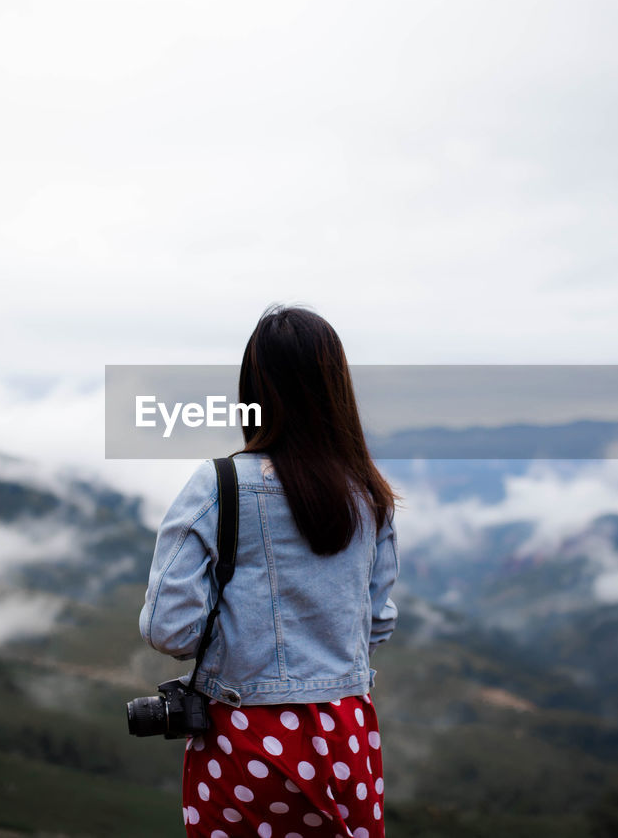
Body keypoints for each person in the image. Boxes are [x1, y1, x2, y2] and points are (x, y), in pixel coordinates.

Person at [139, 305, 400, 838]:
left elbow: (170, 626)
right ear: (336, 389)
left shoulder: (219, 485)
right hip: (348, 732)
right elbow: (378, 624)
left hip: (248, 737)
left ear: (253, 392)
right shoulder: (370, 493)